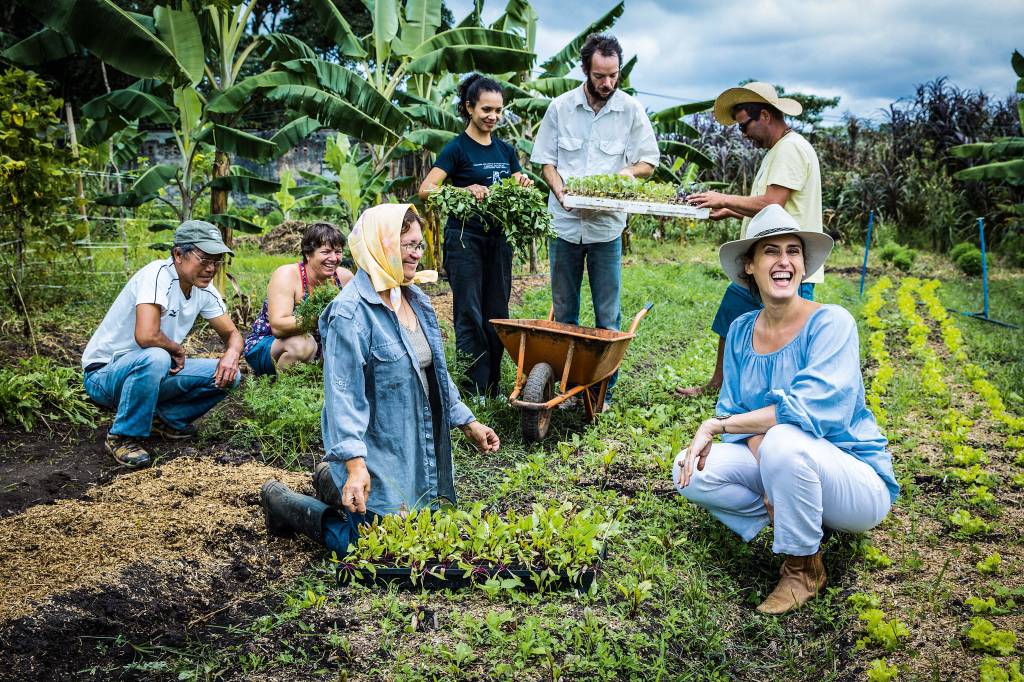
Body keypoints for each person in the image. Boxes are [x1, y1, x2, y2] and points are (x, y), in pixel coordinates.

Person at [673, 205, 898, 615]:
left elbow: (802, 412)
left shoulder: (833, 323)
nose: (784, 261)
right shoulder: (742, 331)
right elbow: (741, 411)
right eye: (770, 252)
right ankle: (799, 516)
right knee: (688, 470)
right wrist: (754, 452)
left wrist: (716, 425)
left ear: (803, 266)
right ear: (750, 267)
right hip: (787, 460)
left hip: (855, 482)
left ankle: (803, 568)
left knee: (783, 441)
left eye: (793, 252)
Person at [259, 204, 500, 555]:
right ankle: (283, 503)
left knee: (422, 537)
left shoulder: (416, 299)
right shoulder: (349, 314)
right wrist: (356, 467)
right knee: (372, 548)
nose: (418, 255)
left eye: (420, 246)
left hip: (416, 453)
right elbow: (344, 398)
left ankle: (329, 479)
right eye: (409, 246)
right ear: (381, 246)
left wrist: (468, 421)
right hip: (375, 454)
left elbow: (434, 374)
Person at [530, 33, 659, 405]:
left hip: (606, 228)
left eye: (613, 75)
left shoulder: (630, 110)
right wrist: (559, 190)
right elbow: (546, 162)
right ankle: (566, 387)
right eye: (600, 76)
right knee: (564, 314)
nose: (607, 83)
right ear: (585, 69)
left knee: (607, 316)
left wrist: (622, 179)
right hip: (565, 226)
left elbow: (648, 162)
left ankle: (601, 393)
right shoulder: (560, 107)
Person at [678, 82, 823, 399]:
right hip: (760, 263)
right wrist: (731, 210)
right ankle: (718, 385)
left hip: (787, 263)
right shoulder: (778, 151)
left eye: (745, 124)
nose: (743, 133)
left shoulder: (791, 149)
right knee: (731, 318)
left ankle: (790, 396)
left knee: (792, 334)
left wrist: (722, 197)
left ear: (766, 115)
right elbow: (770, 209)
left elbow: (772, 203)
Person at [82, 220, 243, 468]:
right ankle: (123, 436)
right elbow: (146, 336)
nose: (211, 268)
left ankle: (162, 421)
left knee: (230, 375)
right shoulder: (157, 274)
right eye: (204, 259)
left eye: (216, 260)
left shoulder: (204, 290)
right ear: (178, 254)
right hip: (104, 375)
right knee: (157, 355)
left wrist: (231, 354)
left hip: (151, 371)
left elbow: (233, 334)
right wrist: (177, 350)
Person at [418, 73, 533, 397]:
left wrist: (522, 183)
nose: (493, 117)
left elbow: (517, 181)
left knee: (497, 311)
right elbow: (426, 190)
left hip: (499, 241)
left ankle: (494, 386)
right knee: (469, 311)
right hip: (465, 240)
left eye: (498, 110)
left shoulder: (506, 150)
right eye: (486, 109)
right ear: (469, 107)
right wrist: (463, 190)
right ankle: (473, 389)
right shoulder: (457, 148)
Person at [243, 222, 353, 376]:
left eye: (338, 252)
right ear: (308, 254)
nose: (333, 258)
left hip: (318, 347)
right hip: (270, 345)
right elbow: (278, 327)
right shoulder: (287, 275)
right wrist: (319, 317)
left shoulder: (345, 278)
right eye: (326, 252)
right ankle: (283, 391)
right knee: (303, 345)